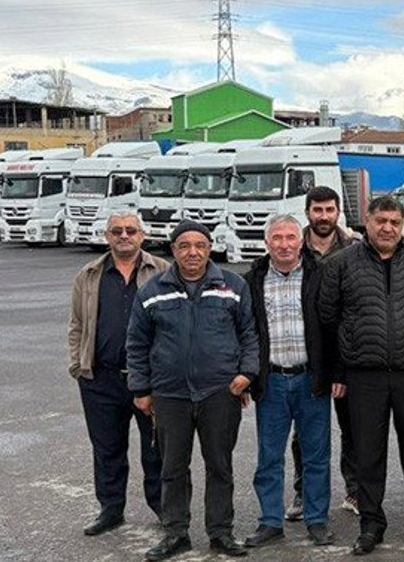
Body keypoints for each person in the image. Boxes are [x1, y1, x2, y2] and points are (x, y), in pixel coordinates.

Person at [317, 196, 404, 554]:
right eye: (381, 221)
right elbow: (329, 318)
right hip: (364, 375)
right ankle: (371, 525)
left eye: (395, 222)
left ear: (402, 225)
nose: (388, 228)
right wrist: (340, 368)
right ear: (367, 222)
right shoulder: (340, 264)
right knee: (368, 455)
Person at [127, 220, 259, 561]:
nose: (192, 252)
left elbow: (249, 333)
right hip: (170, 394)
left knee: (220, 466)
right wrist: (141, 388)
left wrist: (247, 373)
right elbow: (137, 343)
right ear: (173, 250)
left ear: (210, 248)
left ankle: (221, 532)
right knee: (172, 467)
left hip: (220, 392)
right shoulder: (152, 291)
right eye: (184, 246)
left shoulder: (232, 286)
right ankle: (176, 533)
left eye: (200, 245)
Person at [68, 211, 167, 537]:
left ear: (142, 235)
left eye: (130, 230)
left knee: (156, 449)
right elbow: (77, 325)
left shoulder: (162, 271)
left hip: (149, 381)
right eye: (117, 231)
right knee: (107, 449)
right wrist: (78, 366)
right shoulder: (89, 275)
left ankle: (162, 507)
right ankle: (111, 509)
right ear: (107, 236)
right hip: (101, 379)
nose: (124, 236)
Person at [241, 216, 335, 549]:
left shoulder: (319, 275)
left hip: (311, 380)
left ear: (301, 241)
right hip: (272, 382)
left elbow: (333, 326)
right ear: (267, 243)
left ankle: (317, 519)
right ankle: (270, 522)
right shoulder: (252, 281)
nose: (284, 244)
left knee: (316, 456)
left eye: (290, 237)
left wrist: (335, 373)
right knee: (269, 456)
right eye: (277, 238)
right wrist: (247, 375)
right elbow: (244, 331)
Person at [288, 186, 359, 520]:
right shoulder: (293, 247)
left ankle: (355, 491)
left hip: (347, 352)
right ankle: (303, 493)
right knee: (304, 432)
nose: (324, 216)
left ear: (338, 212)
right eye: (317, 210)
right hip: (306, 354)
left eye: (330, 209)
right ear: (307, 213)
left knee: (354, 428)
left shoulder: (356, 249)